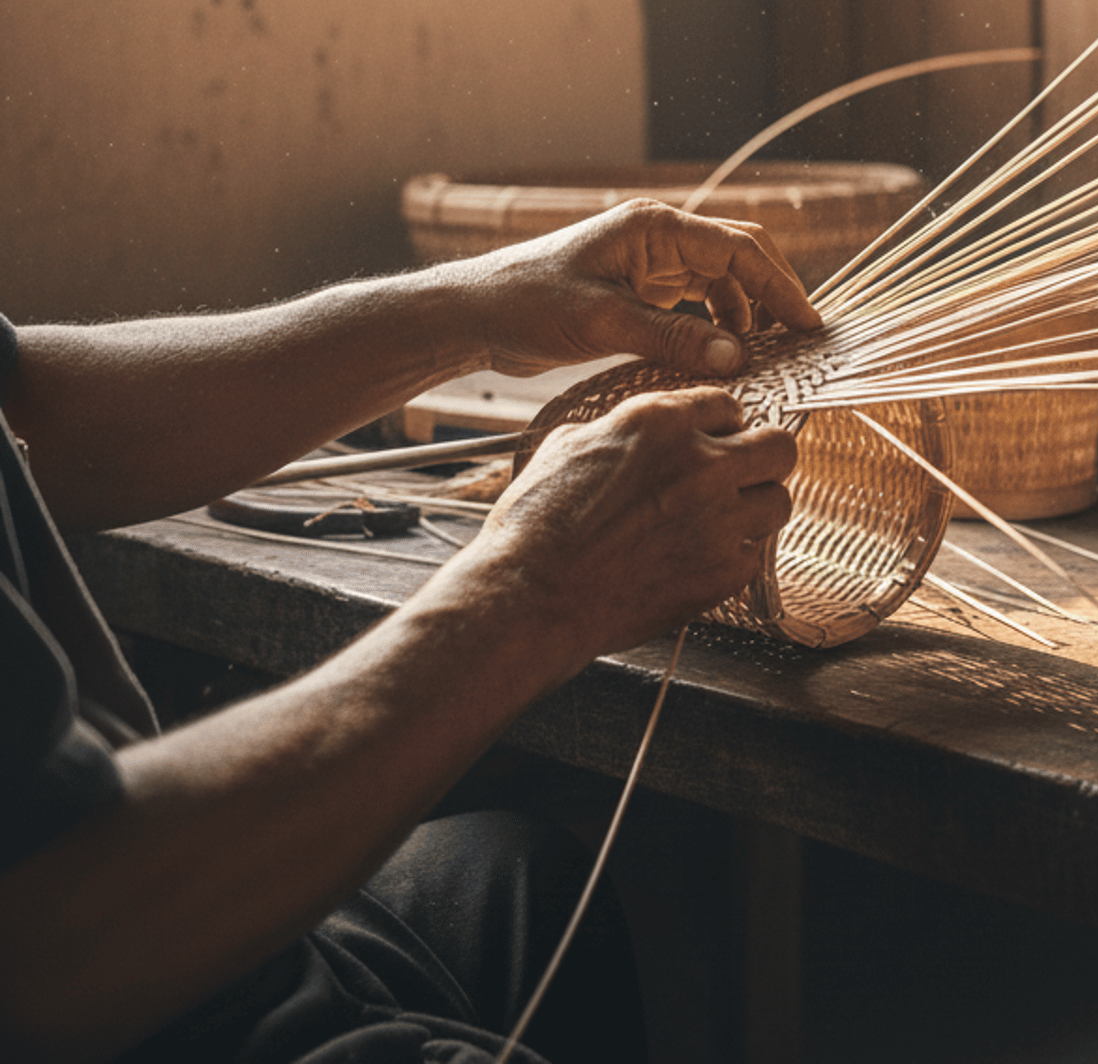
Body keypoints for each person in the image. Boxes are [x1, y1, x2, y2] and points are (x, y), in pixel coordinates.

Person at [0, 198, 822, 1063]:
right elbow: (49, 950)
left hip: (150, 926)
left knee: (509, 876)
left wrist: (474, 308)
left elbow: (35, 408)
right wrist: (533, 587)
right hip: (117, 975)